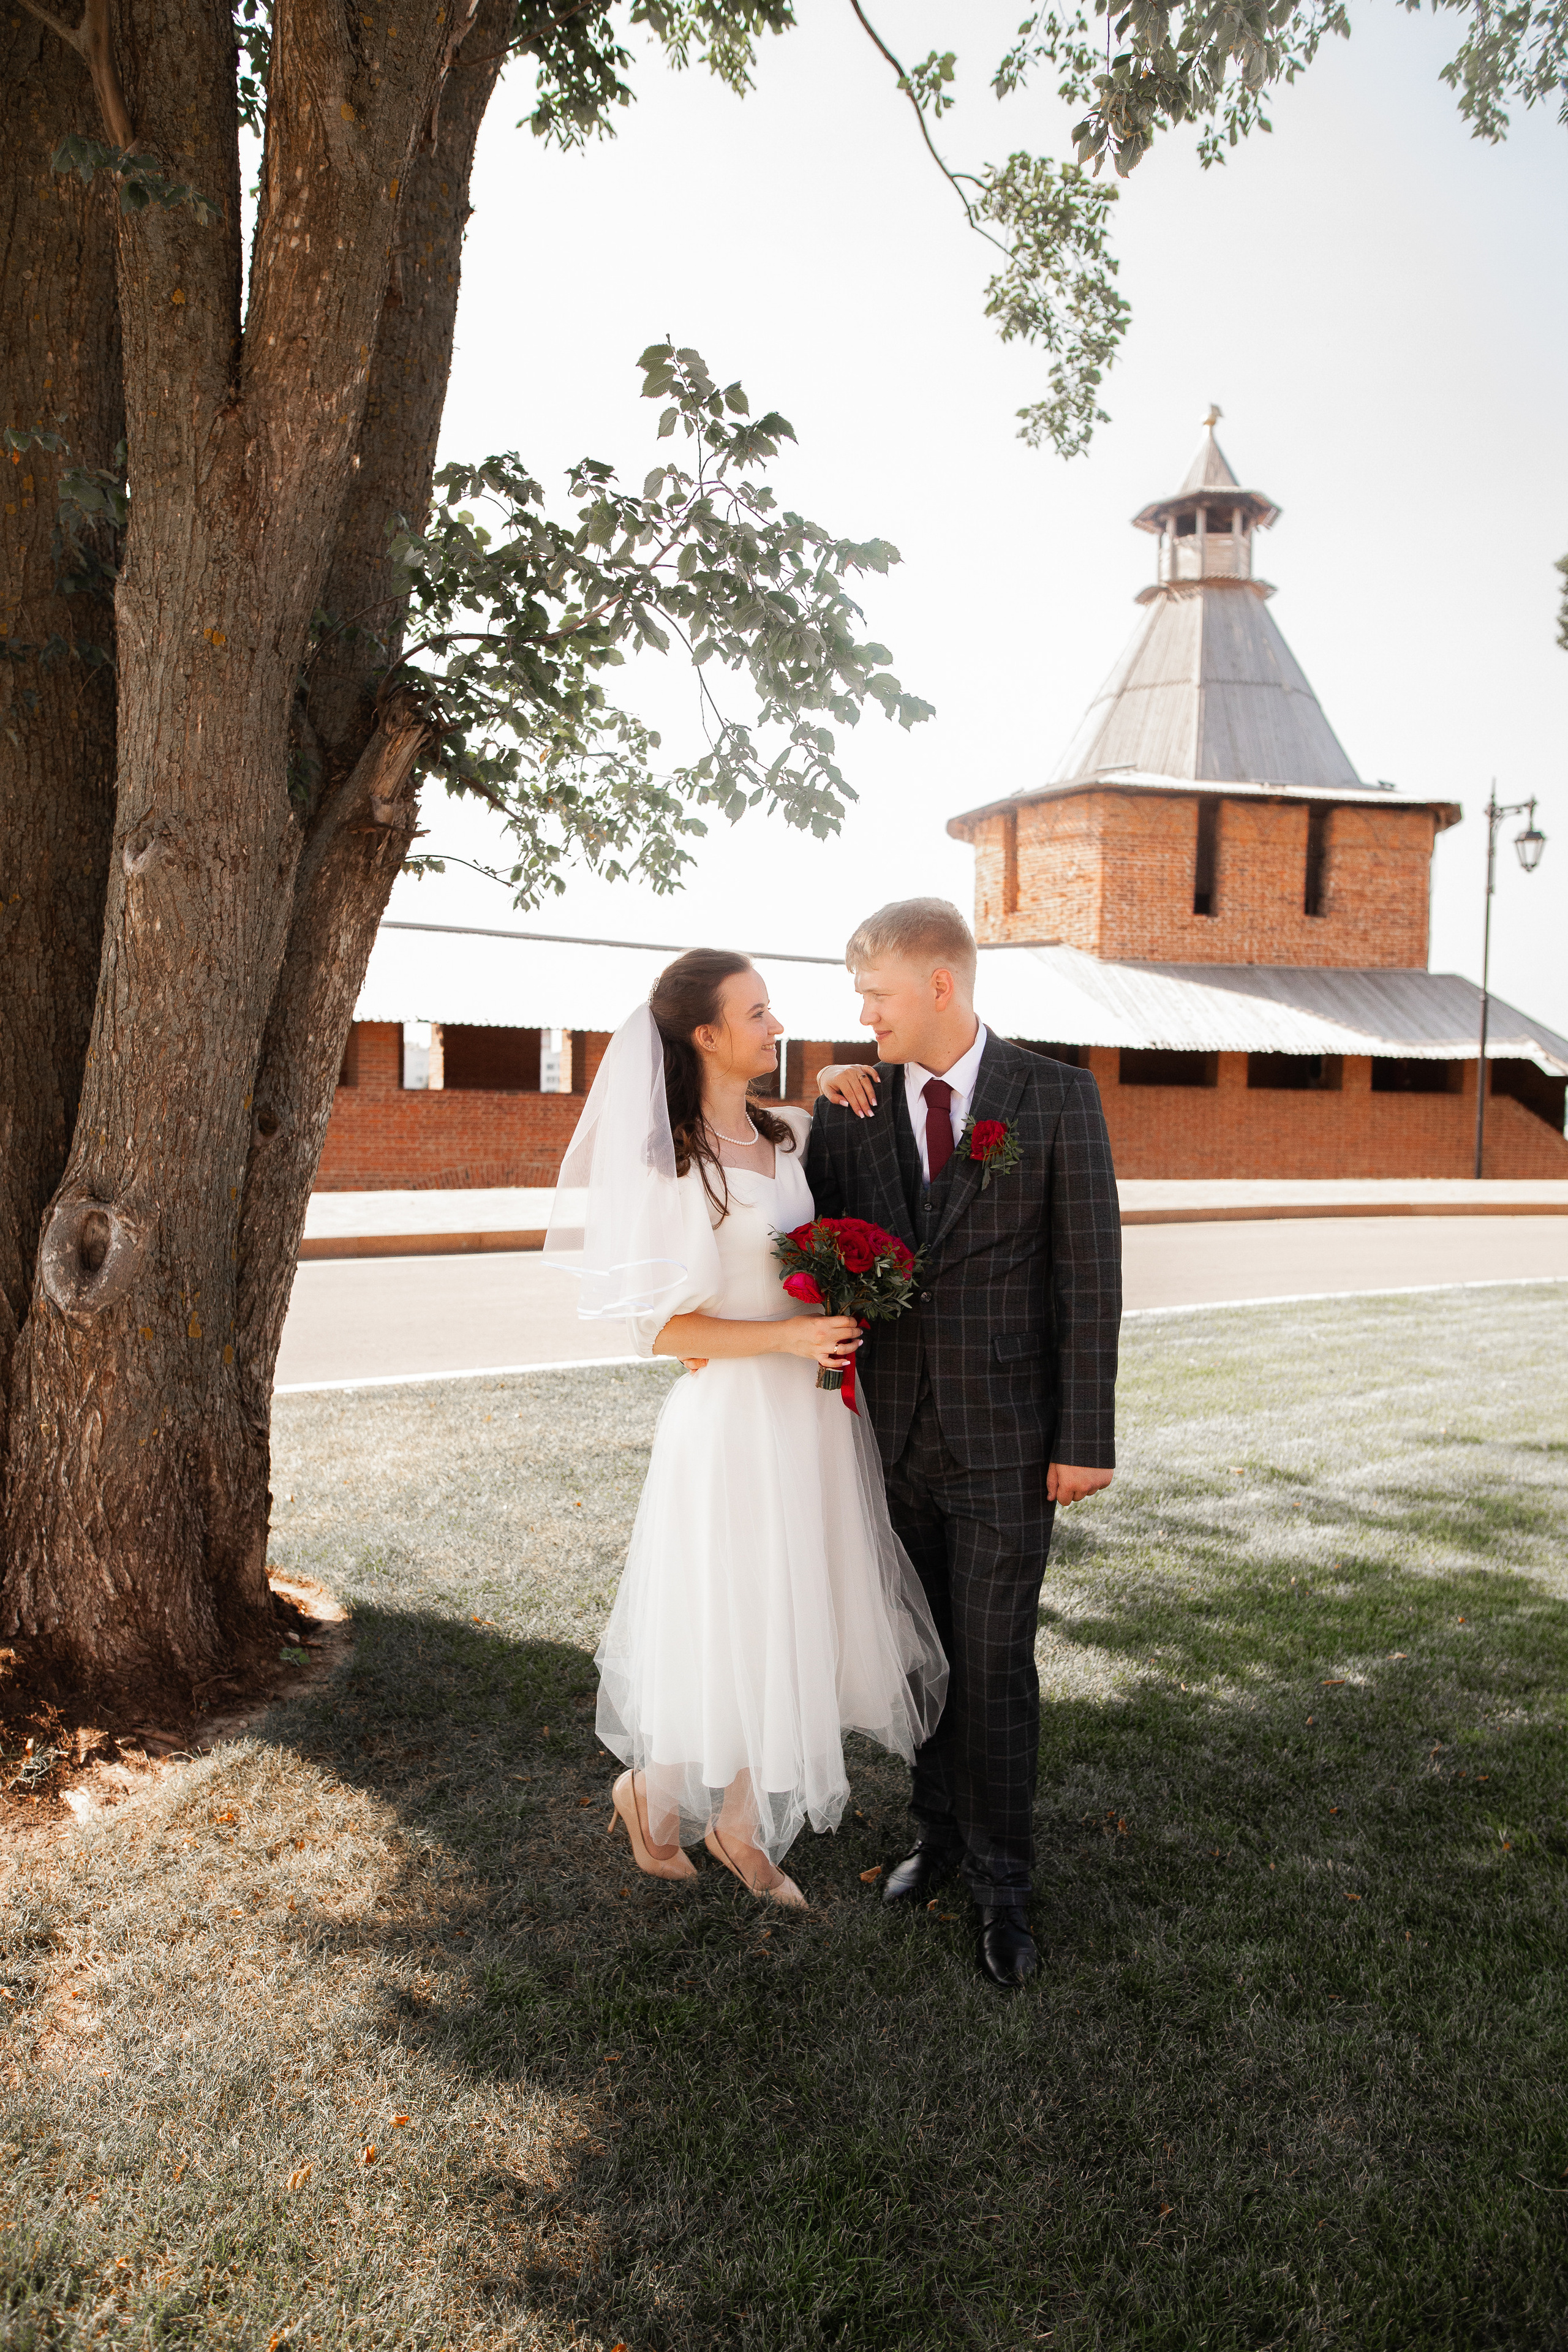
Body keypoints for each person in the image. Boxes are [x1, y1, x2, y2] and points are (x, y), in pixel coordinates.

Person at [544, 949, 947, 1907]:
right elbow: (661, 1330)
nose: (776, 1026)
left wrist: (846, 1076)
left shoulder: (791, 1132)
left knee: (785, 1616)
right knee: (729, 1617)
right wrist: (788, 1334)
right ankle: (657, 1790)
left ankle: (734, 1826)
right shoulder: (670, 1159)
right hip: (731, 1423)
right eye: (758, 1013)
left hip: (808, 1423)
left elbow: (838, 1161)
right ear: (708, 1036)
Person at [806, 898, 1121, 1987]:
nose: (863, 1013)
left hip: (1011, 1448)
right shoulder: (850, 1111)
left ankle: (1006, 1889)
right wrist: (807, 1097)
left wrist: (1086, 1436)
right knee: (924, 1660)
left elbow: (1089, 1281)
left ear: (941, 984)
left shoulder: (1057, 1098)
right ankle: (935, 1841)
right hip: (889, 1443)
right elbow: (807, 1244)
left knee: (995, 1666)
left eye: (877, 993)